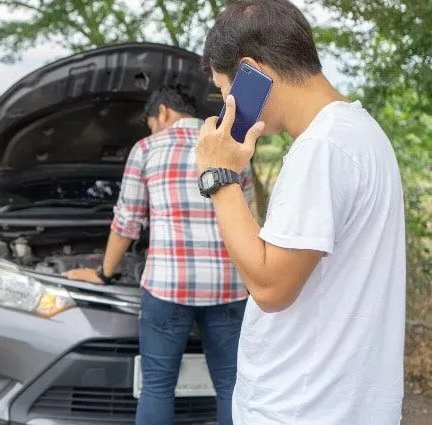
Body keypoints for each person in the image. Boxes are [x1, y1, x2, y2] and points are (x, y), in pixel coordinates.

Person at [195, 1, 406, 424]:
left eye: (224, 89)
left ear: (252, 71)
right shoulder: (359, 132)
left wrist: (219, 176)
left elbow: (271, 288)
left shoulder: (321, 149)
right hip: (340, 403)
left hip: (301, 408)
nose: (225, 103)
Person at [63, 85, 254, 425]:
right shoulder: (232, 148)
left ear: (163, 112)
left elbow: (127, 222)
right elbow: (249, 218)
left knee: (157, 386)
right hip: (229, 285)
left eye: (151, 122)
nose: (151, 128)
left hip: (168, 286)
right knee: (231, 385)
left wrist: (104, 273)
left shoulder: (147, 148)